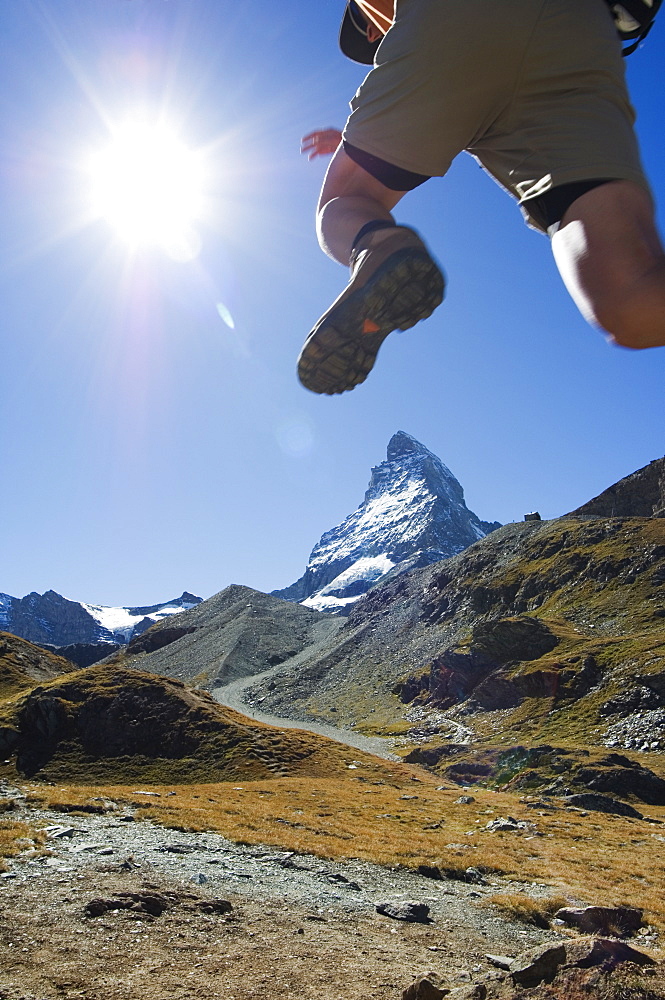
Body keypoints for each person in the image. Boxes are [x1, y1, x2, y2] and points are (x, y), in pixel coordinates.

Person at [297, 0, 665, 396]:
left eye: (367, 29)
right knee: (632, 303)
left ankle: (378, 245)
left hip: (454, 26)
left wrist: (368, 143)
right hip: (579, 29)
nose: (376, 36)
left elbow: (460, 63)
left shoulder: (386, 22)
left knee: (346, 198)